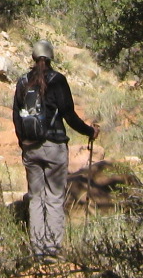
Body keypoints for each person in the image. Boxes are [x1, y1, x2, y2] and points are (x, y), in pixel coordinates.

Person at [13, 38, 98, 258]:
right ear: (51, 58)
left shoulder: (23, 81)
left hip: (30, 148)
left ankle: (37, 248)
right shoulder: (58, 80)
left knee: (35, 197)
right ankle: (52, 248)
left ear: (33, 57)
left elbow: (16, 117)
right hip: (54, 146)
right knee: (54, 197)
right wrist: (89, 132)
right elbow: (69, 115)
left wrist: (24, 142)